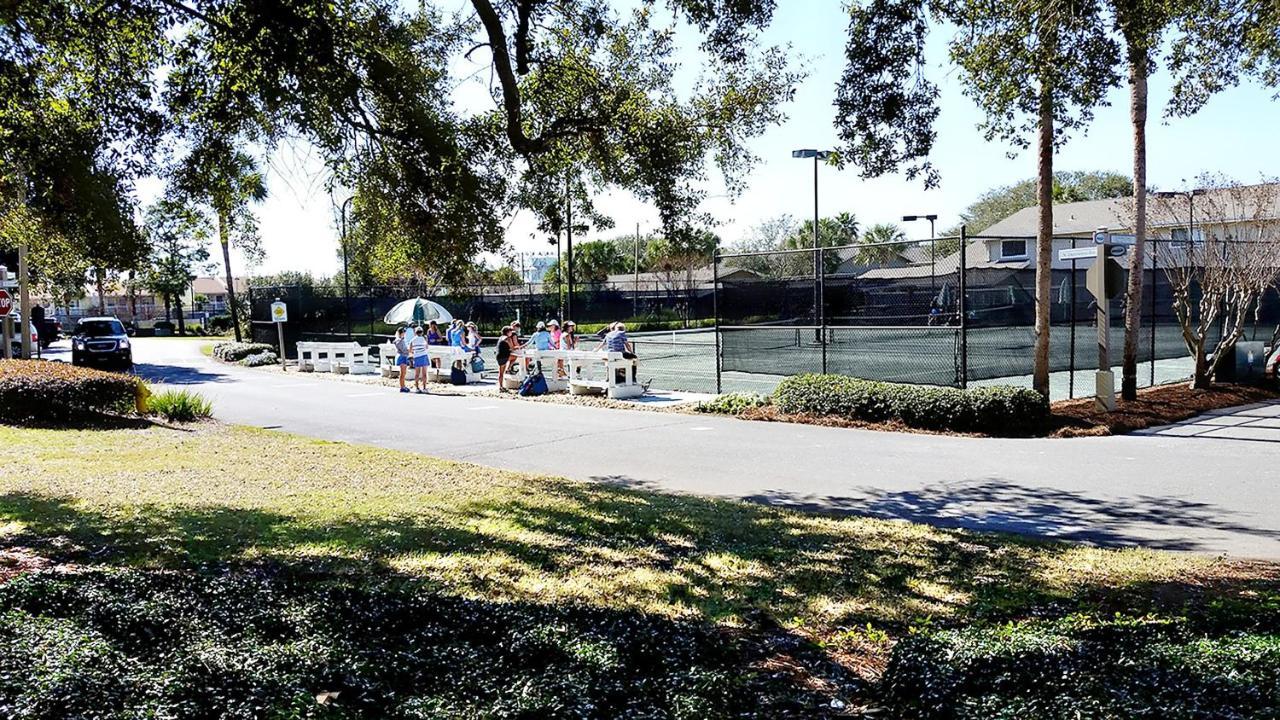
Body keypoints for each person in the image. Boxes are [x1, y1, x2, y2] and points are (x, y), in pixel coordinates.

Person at [409, 325, 429, 393]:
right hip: (423, 355)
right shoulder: (424, 338)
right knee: (424, 373)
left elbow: (410, 349)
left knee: (417, 373)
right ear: (422, 332)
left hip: (416, 356)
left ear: (415, 332)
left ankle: (417, 388)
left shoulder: (412, 340)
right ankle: (424, 388)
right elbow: (426, 347)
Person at [495, 325, 515, 392]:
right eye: (511, 331)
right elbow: (512, 348)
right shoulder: (507, 338)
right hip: (504, 356)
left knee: (500, 373)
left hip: (499, 356)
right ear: (508, 332)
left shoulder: (500, 337)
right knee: (515, 357)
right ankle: (509, 368)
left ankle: (500, 386)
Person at [392, 326, 411, 393]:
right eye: (404, 332)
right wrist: (409, 350)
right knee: (402, 373)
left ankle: (403, 386)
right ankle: (402, 387)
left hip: (403, 356)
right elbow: (403, 349)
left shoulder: (401, 340)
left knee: (403, 373)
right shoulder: (399, 340)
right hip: (402, 356)